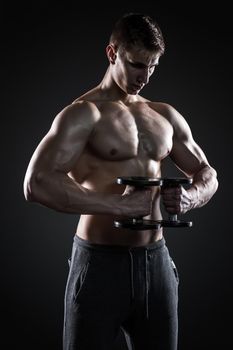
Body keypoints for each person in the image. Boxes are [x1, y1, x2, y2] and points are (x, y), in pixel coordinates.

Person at [23, 12, 218, 350]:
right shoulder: (83, 114)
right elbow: (36, 183)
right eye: (136, 64)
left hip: (156, 263)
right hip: (100, 265)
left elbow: (208, 173)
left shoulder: (164, 114)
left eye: (153, 67)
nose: (145, 76)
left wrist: (192, 196)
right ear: (112, 54)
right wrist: (117, 204)